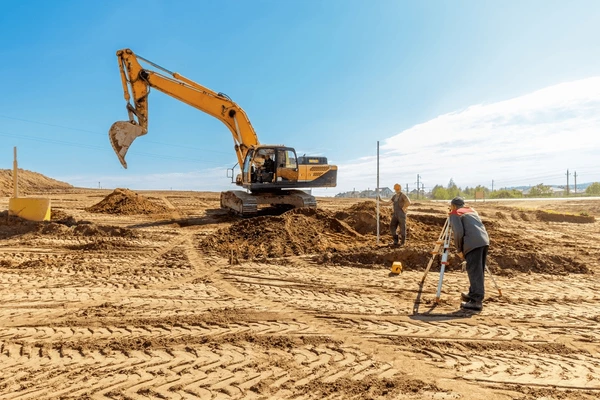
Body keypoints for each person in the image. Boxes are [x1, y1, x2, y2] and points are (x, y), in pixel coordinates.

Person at [448, 196, 490, 311]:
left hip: (472, 243)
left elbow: (458, 233)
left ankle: (476, 301)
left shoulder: (455, 214)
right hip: (483, 241)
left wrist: (459, 250)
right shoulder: (472, 210)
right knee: (478, 270)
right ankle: (473, 294)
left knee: (474, 271)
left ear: (453, 206)